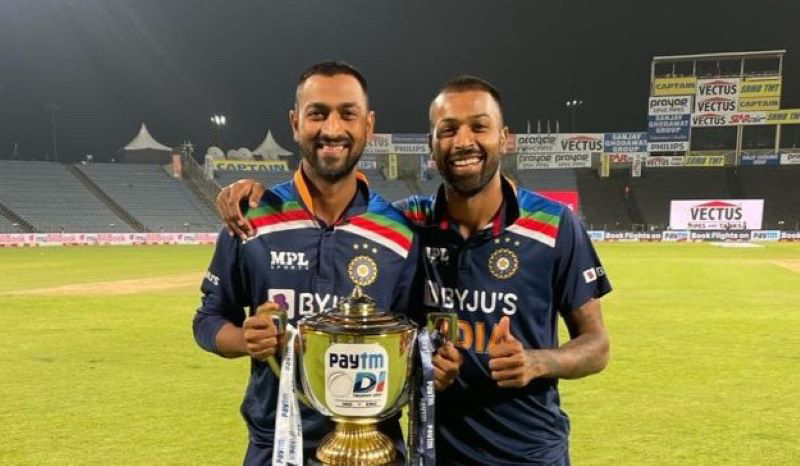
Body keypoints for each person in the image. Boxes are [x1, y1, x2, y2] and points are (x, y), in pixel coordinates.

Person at [218, 75, 611, 465]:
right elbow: (345, 204)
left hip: (529, 451)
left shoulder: (554, 224)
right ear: (431, 145)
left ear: (504, 138)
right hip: (438, 450)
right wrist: (258, 193)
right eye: (448, 130)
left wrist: (538, 362)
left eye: (479, 126)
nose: (463, 141)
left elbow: (597, 345)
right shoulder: (411, 223)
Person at [193, 61, 461, 465]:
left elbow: (419, 338)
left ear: (368, 126)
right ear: (295, 123)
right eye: (317, 113)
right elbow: (208, 319)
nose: (332, 129)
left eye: (347, 114)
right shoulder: (251, 219)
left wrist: (438, 363)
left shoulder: (400, 232)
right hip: (276, 448)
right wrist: (245, 340)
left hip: (375, 448)